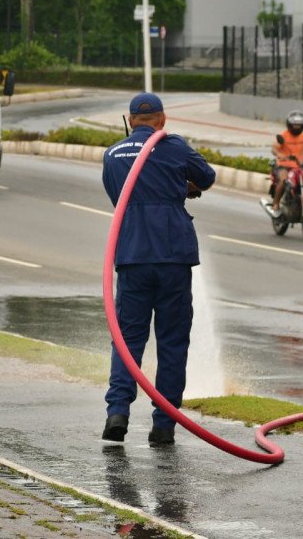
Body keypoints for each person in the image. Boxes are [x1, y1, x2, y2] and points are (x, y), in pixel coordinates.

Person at [100, 92, 217, 446]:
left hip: (132, 256)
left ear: (129, 120)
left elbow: (120, 198)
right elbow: (207, 176)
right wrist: (181, 187)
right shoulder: (174, 147)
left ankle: (117, 412)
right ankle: (164, 424)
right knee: (172, 341)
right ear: (162, 121)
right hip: (173, 257)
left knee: (127, 339)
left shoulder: (113, 155)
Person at [262, 110, 303, 218]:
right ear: (289, 124)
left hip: (299, 167)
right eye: (295, 125)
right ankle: (276, 204)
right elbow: (274, 148)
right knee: (283, 181)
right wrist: (279, 154)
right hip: (283, 166)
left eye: (299, 125)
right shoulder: (283, 136)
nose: (297, 127)